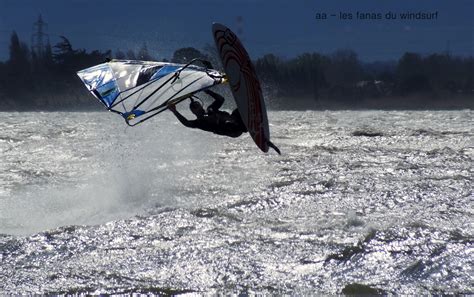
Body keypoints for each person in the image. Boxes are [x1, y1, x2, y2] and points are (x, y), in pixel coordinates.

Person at [167, 89, 247, 138]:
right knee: (229, 121)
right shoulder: (199, 122)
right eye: (194, 107)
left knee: (237, 111)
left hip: (236, 120)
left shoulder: (211, 109)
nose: (196, 107)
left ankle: (250, 112)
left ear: (201, 105)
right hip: (234, 131)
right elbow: (187, 123)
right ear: (193, 111)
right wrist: (175, 111)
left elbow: (221, 99)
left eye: (197, 104)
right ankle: (245, 125)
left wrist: (207, 91)